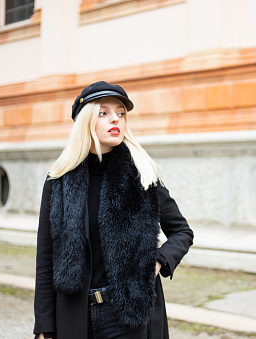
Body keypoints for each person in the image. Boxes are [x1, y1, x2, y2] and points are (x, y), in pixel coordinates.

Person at [33, 81, 194, 339]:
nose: (114, 119)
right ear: (86, 120)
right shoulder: (58, 182)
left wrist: (159, 261)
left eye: (120, 113)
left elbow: (182, 232)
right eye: (103, 113)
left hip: (128, 315)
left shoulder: (142, 174)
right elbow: (46, 259)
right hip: (75, 316)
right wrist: (44, 326)